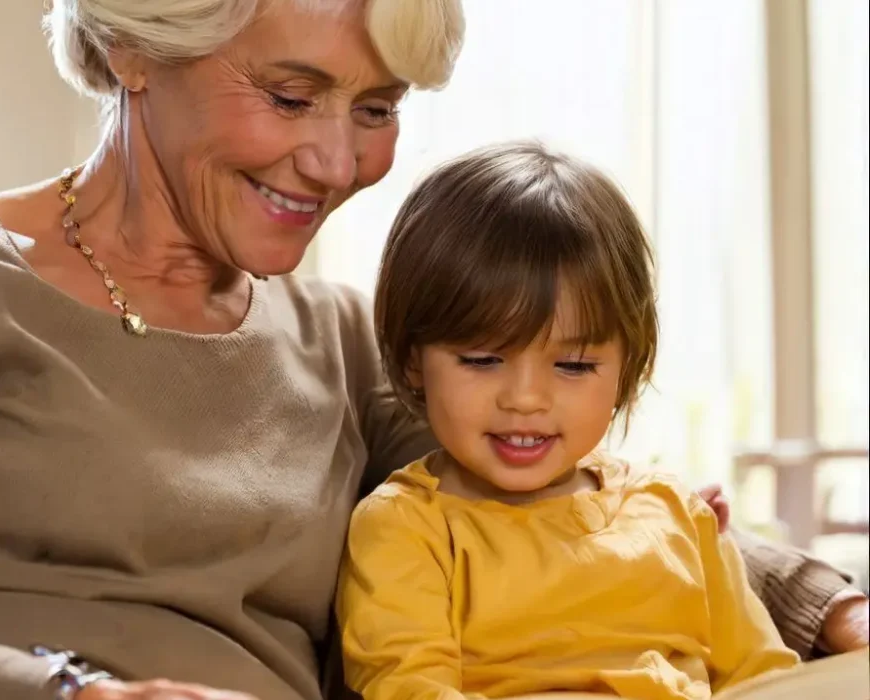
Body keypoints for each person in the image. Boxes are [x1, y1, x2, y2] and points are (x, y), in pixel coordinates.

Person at [0, 1, 865, 699]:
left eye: (376, 108)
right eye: (291, 95)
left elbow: (578, 495)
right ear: (135, 50)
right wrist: (71, 693)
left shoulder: (339, 344)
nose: (338, 162)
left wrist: (826, 610)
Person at [335, 141, 867, 700]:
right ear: (414, 360)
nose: (526, 399)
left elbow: (766, 680)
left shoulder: (676, 514)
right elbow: (409, 688)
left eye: (573, 365)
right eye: (482, 359)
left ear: (625, 365)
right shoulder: (405, 527)